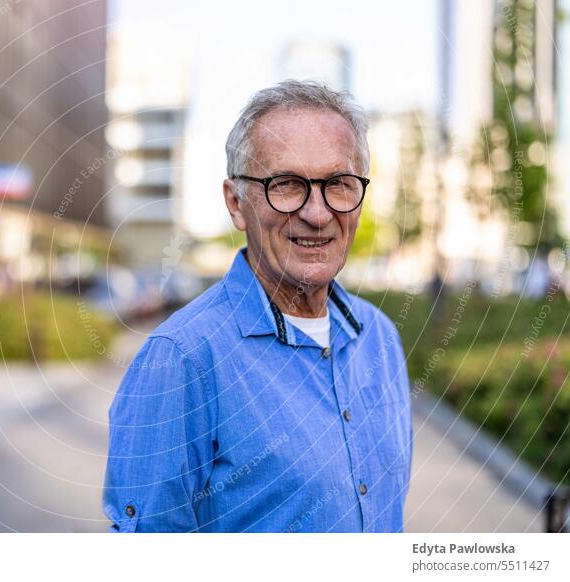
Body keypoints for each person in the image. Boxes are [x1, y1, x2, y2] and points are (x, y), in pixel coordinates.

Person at [103, 80, 412, 533]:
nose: (318, 213)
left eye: (339, 183)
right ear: (236, 203)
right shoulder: (182, 359)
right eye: (286, 185)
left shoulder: (380, 337)